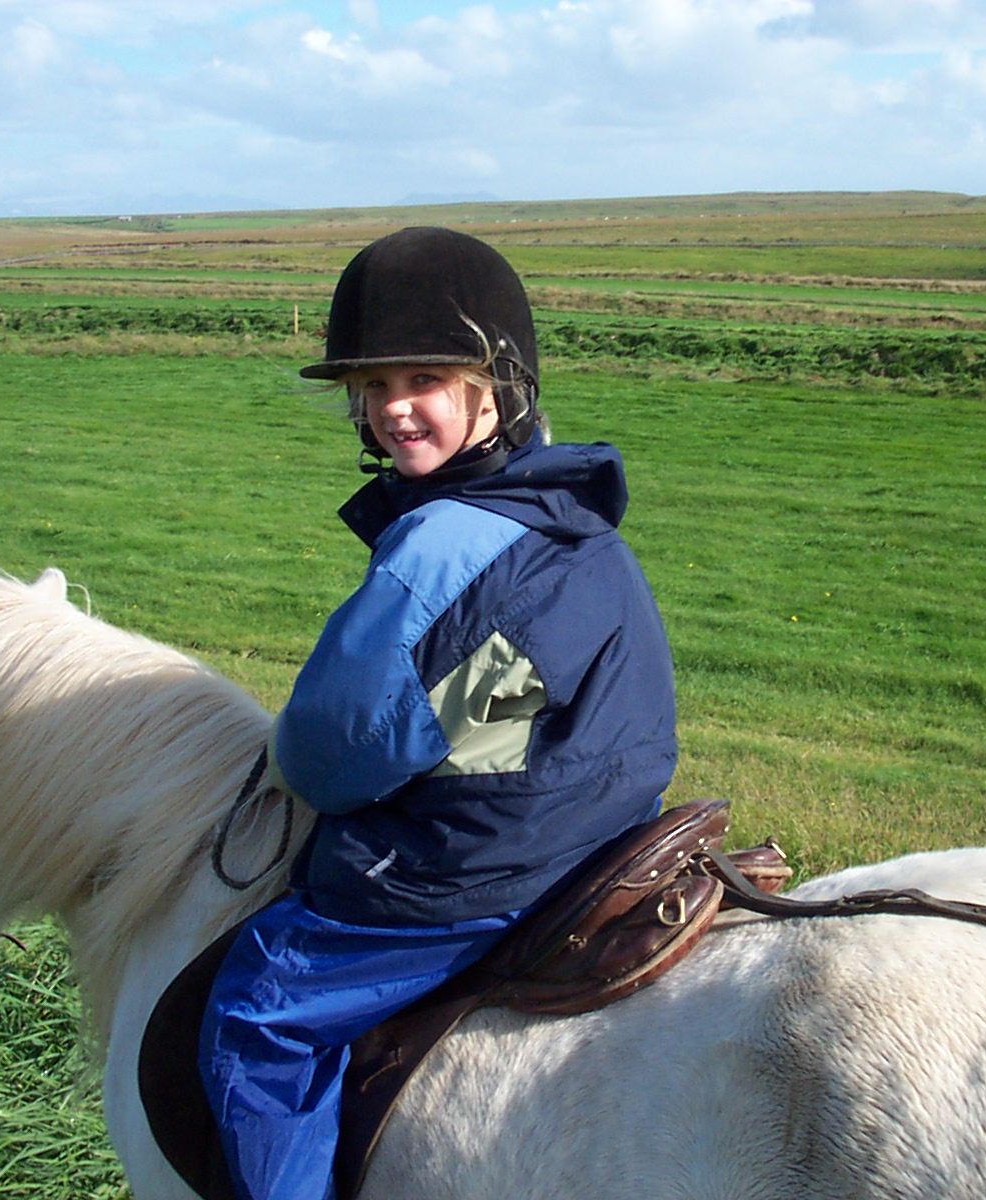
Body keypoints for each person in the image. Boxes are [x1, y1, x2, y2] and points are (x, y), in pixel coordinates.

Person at [199, 226, 678, 1200]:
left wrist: (323, 753)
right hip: (602, 823)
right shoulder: (566, 510)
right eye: (374, 386)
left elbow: (328, 761)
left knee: (256, 1014)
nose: (393, 407)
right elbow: (483, 709)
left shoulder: (442, 546)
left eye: (425, 379)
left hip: (491, 861)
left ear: (496, 388)